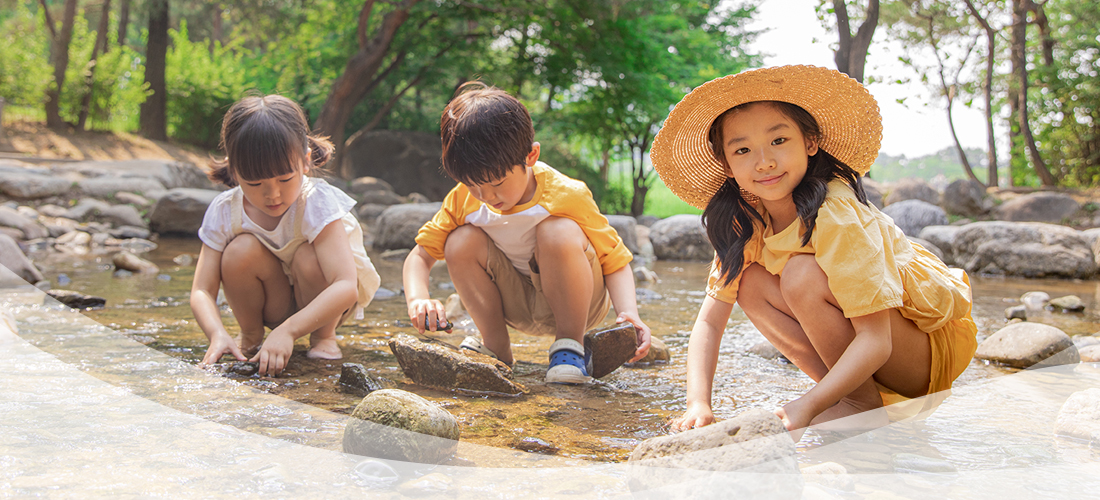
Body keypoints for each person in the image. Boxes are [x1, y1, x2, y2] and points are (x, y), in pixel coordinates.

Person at [650, 65, 977, 433]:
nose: (764, 161)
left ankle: (855, 403)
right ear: (726, 165)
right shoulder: (746, 222)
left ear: (810, 142)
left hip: (917, 357)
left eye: (779, 141)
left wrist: (805, 405)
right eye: (743, 149)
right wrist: (698, 403)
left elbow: (876, 339)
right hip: (869, 357)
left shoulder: (836, 213)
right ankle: (846, 396)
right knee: (750, 282)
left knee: (801, 274)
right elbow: (710, 321)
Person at [402, 82, 651, 384]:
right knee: (458, 241)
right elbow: (420, 256)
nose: (485, 196)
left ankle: (570, 346)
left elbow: (616, 260)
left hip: (579, 302)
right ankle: (496, 347)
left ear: (530, 156)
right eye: (472, 184)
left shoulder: (566, 194)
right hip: (516, 304)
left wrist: (628, 314)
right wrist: (419, 299)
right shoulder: (463, 199)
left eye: (496, 183)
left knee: (557, 231)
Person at [190, 95, 381, 377]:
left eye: (284, 179)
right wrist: (217, 333)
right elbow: (201, 290)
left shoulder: (316, 201)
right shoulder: (225, 210)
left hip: (324, 305)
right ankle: (251, 338)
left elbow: (345, 286)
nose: (273, 194)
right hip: (275, 300)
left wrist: (289, 332)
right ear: (234, 171)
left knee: (307, 254)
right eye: (255, 183)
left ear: (305, 162)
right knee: (239, 250)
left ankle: (323, 338)